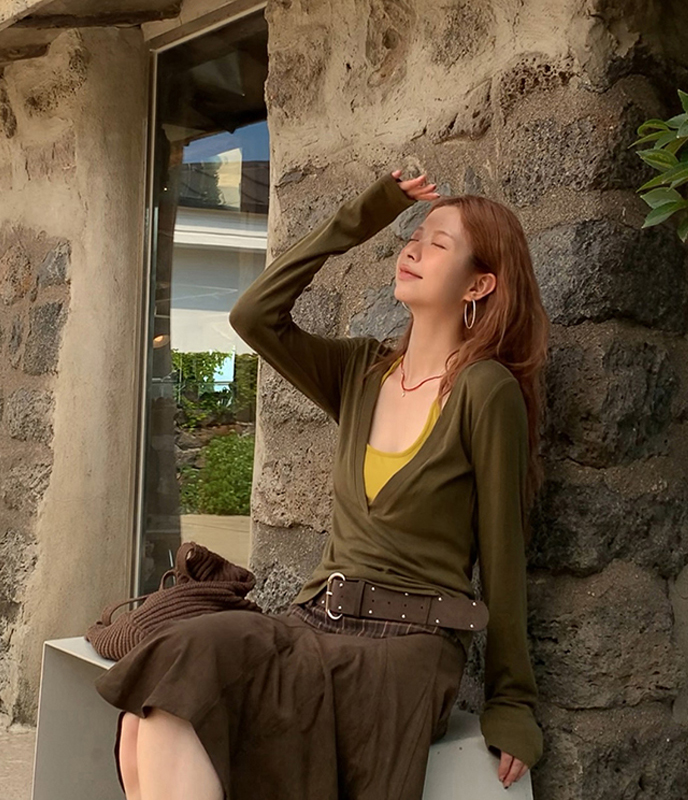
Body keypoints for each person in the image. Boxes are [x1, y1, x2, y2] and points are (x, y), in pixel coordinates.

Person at [94, 168, 550, 799]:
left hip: (405, 647)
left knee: (169, 707)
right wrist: (360, 219)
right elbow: (254, 314)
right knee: (153, 705)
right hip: (315, 620)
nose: (413, 249)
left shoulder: (485, 390)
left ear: (480, 283)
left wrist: (512, 701)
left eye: (438, 243)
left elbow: (504, 552)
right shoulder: (362, 371)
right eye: (413, 237)